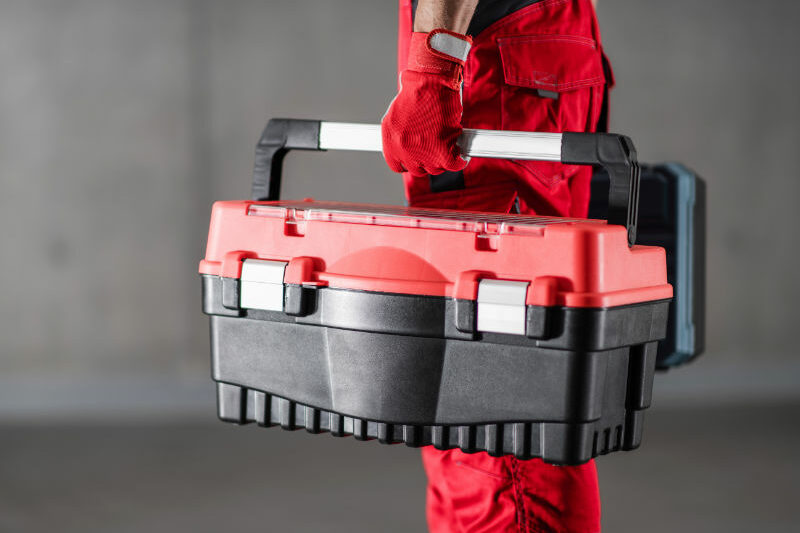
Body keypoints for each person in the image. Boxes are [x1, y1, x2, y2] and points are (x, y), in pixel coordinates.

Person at [381, 0, 612, 531]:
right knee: (515, 366)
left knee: (494, 405)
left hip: (497, 64)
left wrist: (433, 66)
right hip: (547, 49)